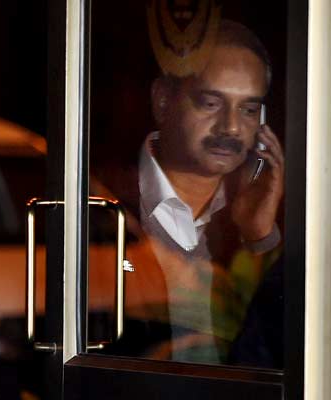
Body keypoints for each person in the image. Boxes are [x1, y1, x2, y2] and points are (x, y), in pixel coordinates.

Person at [110, 20, 284, 363]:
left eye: (249, 110)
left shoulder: (258, 208)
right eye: (210, 103)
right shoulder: (105, 199)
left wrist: (261, 236)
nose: (231, 127)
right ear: (163, 100)